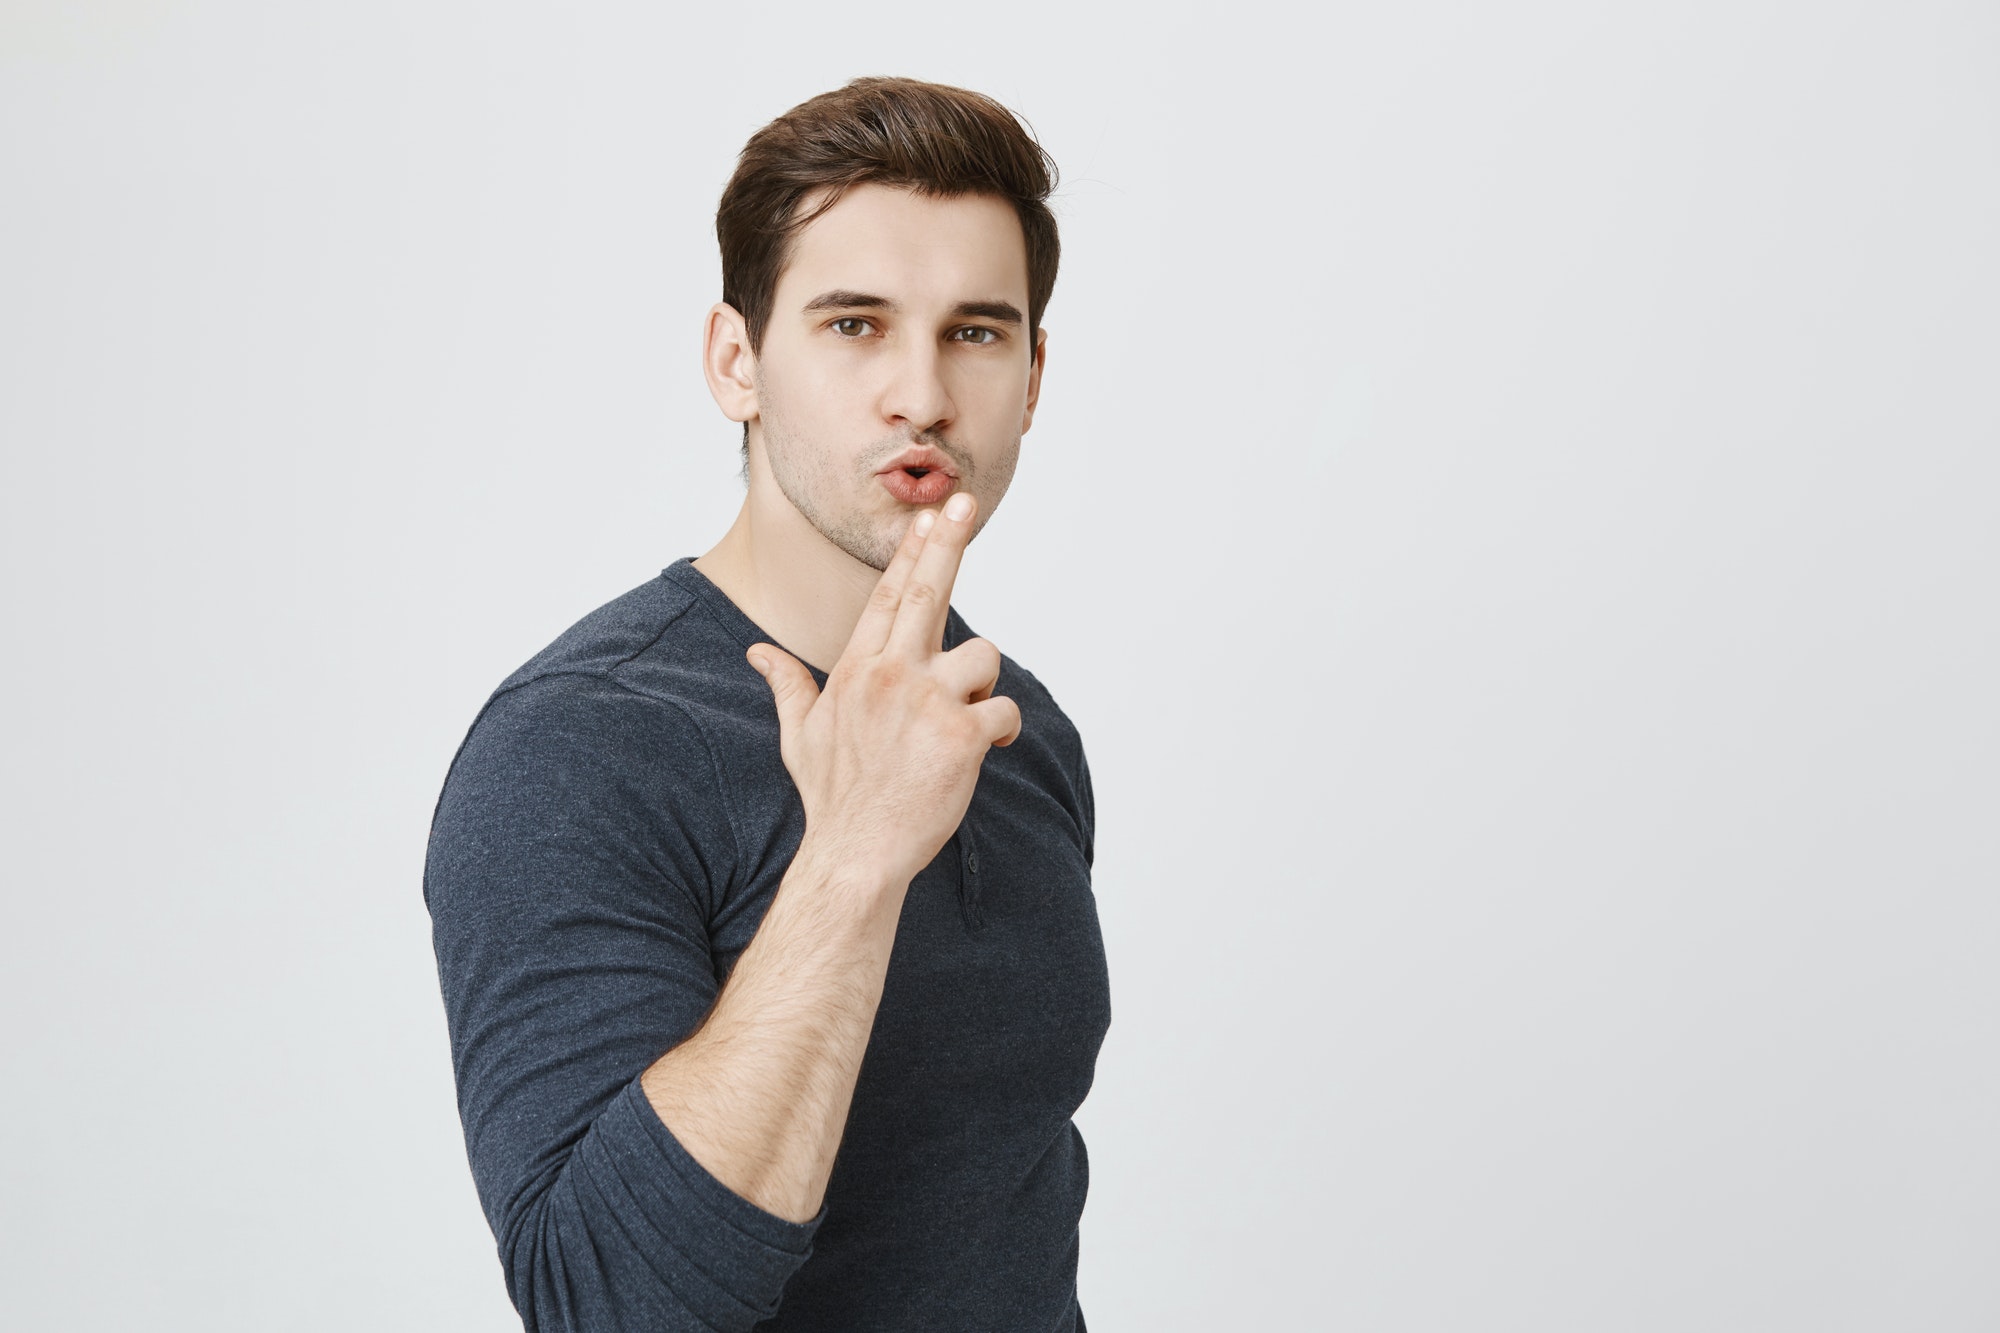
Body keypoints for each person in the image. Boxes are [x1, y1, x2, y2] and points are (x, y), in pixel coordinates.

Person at [423, 76, 1112, 1332]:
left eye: (975, 330)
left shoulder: (1021, 725)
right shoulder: (577, 746)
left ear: (1032, 373)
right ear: (736, 362)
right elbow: (607, 1303)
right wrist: (850, 857)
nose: (922, 394)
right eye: (854, 325)